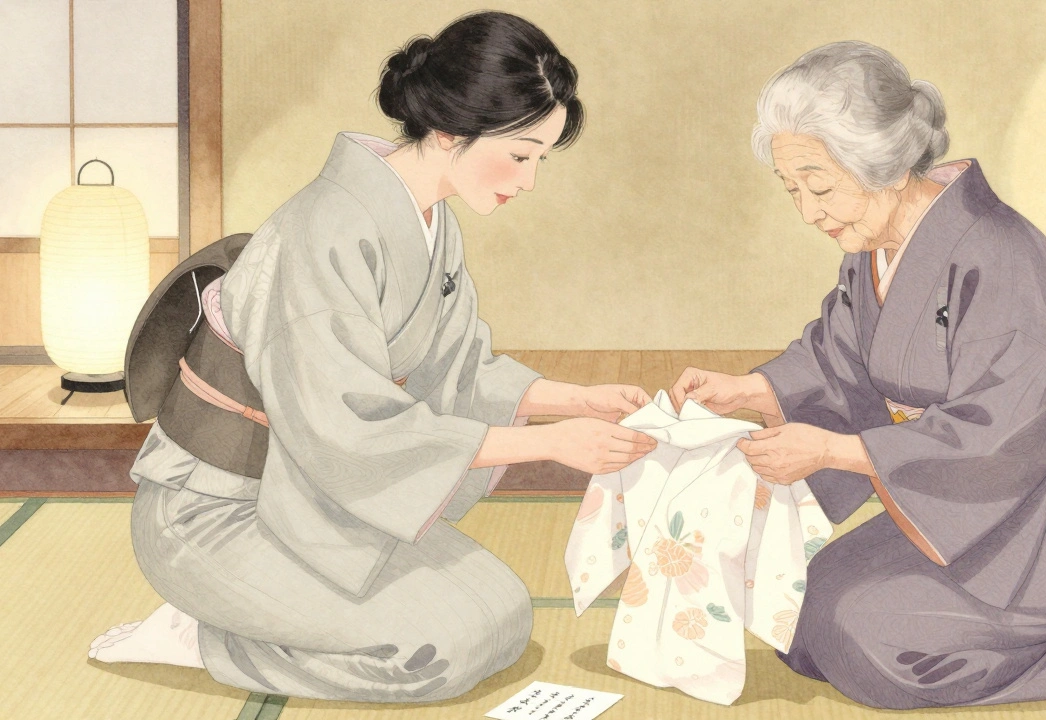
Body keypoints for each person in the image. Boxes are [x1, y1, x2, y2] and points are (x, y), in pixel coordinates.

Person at [88, 11, 657, 703]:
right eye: (519, 154)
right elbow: (347, 427)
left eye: (540, 158)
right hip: (218, 511)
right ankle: (202, 635)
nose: (529, 180)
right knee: (436, 655)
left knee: (503, 616)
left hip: (309, 500)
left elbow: (456, 371)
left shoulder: (430, 221)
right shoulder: (322, 230)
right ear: (449, 133)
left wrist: (574, 401)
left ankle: (257, 618)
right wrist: (556, 445)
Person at [670, 41, 1046, 710]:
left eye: (819, 186)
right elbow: (840, 354)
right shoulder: (875, 247)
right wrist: (754, 390)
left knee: (869, 649)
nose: (807, 211)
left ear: (887, 166)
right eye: (792, 191)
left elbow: (1004, 436)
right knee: (798, 617)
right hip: (983, 514)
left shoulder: (1002, 256)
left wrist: (836, 450)